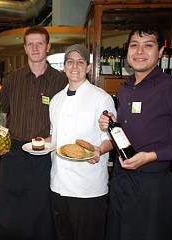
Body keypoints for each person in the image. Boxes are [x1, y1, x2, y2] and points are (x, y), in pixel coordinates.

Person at [98, 23, 172, 240]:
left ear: (161, 52)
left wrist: (153, 156)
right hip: (121, 181)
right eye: (134, 45)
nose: (140, 51)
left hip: (152, 187)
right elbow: (136, 128)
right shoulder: (125, 88)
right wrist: (113, 125)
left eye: (148, 45)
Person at [0, 26, 68, 240]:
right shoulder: (12, 80)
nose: (35, 48)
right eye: (30, 44)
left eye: (39, 43)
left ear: (48, 47)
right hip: (13, 152)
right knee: (8, 203)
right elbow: (2, 114)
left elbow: (65, 118)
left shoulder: (60, 82)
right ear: (24, 48)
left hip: (44, 153)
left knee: (41, 206)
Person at [49, 44, 116, 240]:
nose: (75, 66)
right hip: (58, 183)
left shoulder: (101, 98)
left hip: (88, 186)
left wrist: (99, 150)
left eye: (80, 62)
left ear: (88, 67)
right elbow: (56, 136)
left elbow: (111, 138)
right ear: (64, 66)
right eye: (70, 62)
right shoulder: (56, 101)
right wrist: (37, 143)